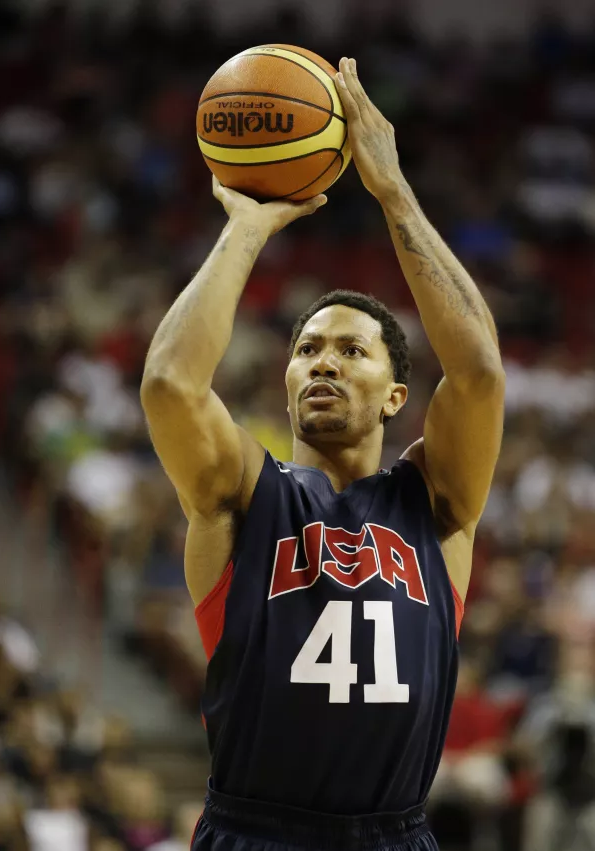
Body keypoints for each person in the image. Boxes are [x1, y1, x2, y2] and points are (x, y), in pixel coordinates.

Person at [140, 58, 505, 851]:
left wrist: (392, 189)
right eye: (307, 348)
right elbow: (170, 382)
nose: (324, 362)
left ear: (396, 395)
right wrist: (247, 225)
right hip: (253, 832)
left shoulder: (435, 503)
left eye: (351, 350)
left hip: (394, 834)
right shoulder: (242, 494)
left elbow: (477, 372)